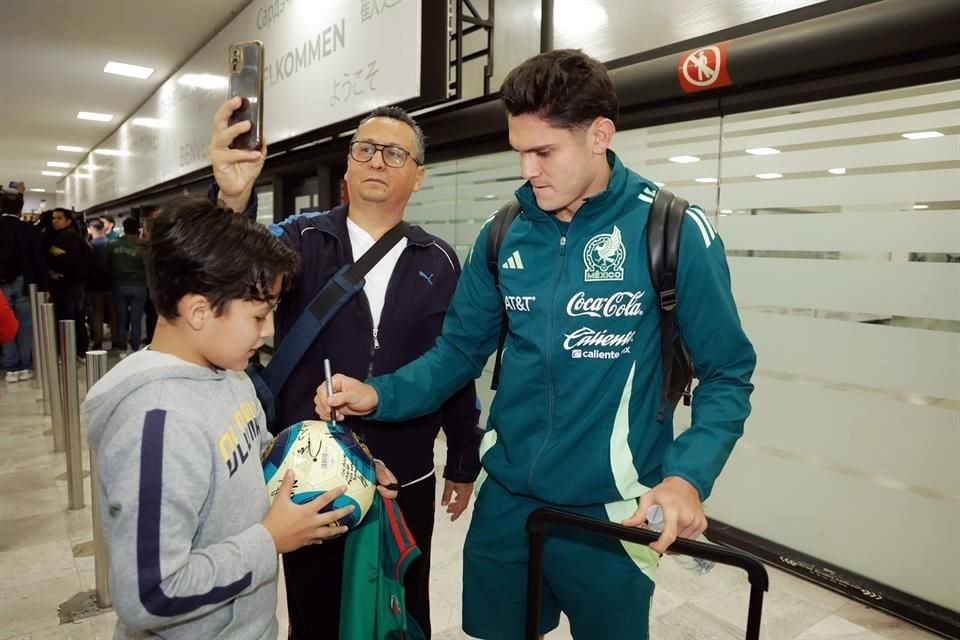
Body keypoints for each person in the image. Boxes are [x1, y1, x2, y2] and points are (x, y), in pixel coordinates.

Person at [317, 49, 757, 640]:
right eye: (519, 150)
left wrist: (686, 478)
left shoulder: (673, 230)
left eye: (543, 151)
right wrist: (378, 394)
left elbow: (727, 373)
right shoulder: (501, 234)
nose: (527, 169)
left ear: (600, 135)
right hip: (508, 507)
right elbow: (456, 356)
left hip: (614, 514)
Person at [209, 98, 482, 639]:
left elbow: (452, 364)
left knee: (400, 602)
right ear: (349, 165)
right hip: (310, 472)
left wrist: (463, 458)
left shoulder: (440, 260)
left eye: (394, 153)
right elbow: (225, 271)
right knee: (316, 613)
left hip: (405, 474)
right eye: (366, 149)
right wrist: (231, 201)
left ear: (418, 175)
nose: (377, 161)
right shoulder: (301, 239)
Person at [81, 196, 400, 640]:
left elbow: (254, 461)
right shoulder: (155, 425)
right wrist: (269, 541)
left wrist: (347, 467)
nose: (268, 330)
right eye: (258, 314)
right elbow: (148, 595)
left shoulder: (231, 375)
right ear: (198, 311)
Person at [0, 184, 47, 382]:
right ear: (20, 209)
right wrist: (44, 286)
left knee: (4, 323)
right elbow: (38, 259)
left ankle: (11, 366)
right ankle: (25, 365)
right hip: (25, 282)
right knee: (26, 324)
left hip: (1, 283)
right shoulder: (28, 230)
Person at [45, 208, 90, 357]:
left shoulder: (66, 238)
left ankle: (71, 350)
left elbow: (70, 260)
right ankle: (80, 349)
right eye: (53, 218)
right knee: (77, 316)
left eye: (59, 218)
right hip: (77, 283)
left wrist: (58, 272)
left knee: (68, 317)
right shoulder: (76, 237)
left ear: (68, 221)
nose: (55, 221)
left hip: (69, 284)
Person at [106, 216, 148, 356]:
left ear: (123, 228)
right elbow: (146, 268)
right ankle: (135, 348)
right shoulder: (142, 248)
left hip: (119, 285)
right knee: (136, 318)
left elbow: (106, 265)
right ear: (137, 229)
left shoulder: (113, 245)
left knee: (121, 317)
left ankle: (122, 347)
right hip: (138, 285)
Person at [86, 218, 112, 350]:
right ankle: (117, 341)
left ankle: (98, 341)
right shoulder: (111, 244)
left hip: (95, 285)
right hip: (112, 285)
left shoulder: (89, 246)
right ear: (103, 228)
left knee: (97, 314)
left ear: (90, 229)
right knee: (114, 314)